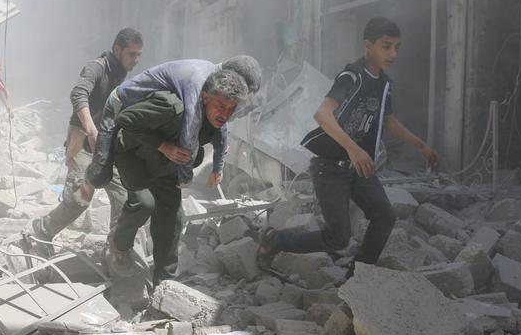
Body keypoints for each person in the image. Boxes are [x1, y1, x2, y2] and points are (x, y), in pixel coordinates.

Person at [257, 17, 440, 277]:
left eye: (397, 47)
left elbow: (389, 121)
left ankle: (358, 277)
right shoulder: (351, 76)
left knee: (385, 217)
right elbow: (322, 114)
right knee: (338, 238)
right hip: (330, 167)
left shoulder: (384, 83)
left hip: (359, 169)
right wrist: (353, 149)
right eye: (386, 46)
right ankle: (276, 241)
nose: (393, 53)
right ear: (368, 45)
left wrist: (422, 147)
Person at [110, 70, 249, 286]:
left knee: (172, 220)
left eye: (231, 109)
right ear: (204, 97)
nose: (225, 114)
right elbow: (125, 120)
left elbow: (221, 143)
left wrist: (217, 169)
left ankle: (164, 283)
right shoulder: (172, 107)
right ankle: (119, 245)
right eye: (221, 106)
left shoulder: (216, 125)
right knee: (144, 204)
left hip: (166, 168)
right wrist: (163, 146)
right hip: (134, 156)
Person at [30, 28, 143, 257]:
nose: (136, 60)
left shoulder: (121, 73)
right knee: (79, 200)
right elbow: (78, 94)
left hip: (106, 142)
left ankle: (117, 250)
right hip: (83, 140)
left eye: (139, 54)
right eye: (132, 54)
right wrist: (91, 129)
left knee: (124, 195)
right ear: (117, 49)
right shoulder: (96, 67)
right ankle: (42, 230)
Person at [86, 55, 262, 191]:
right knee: (99, 176)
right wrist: (185, 177)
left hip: (145, 118)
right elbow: (189, 133)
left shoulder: (215, 83)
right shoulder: (198, 81)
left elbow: (222, 126)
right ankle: (90, 153)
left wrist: (218, 166)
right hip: (120, 105)